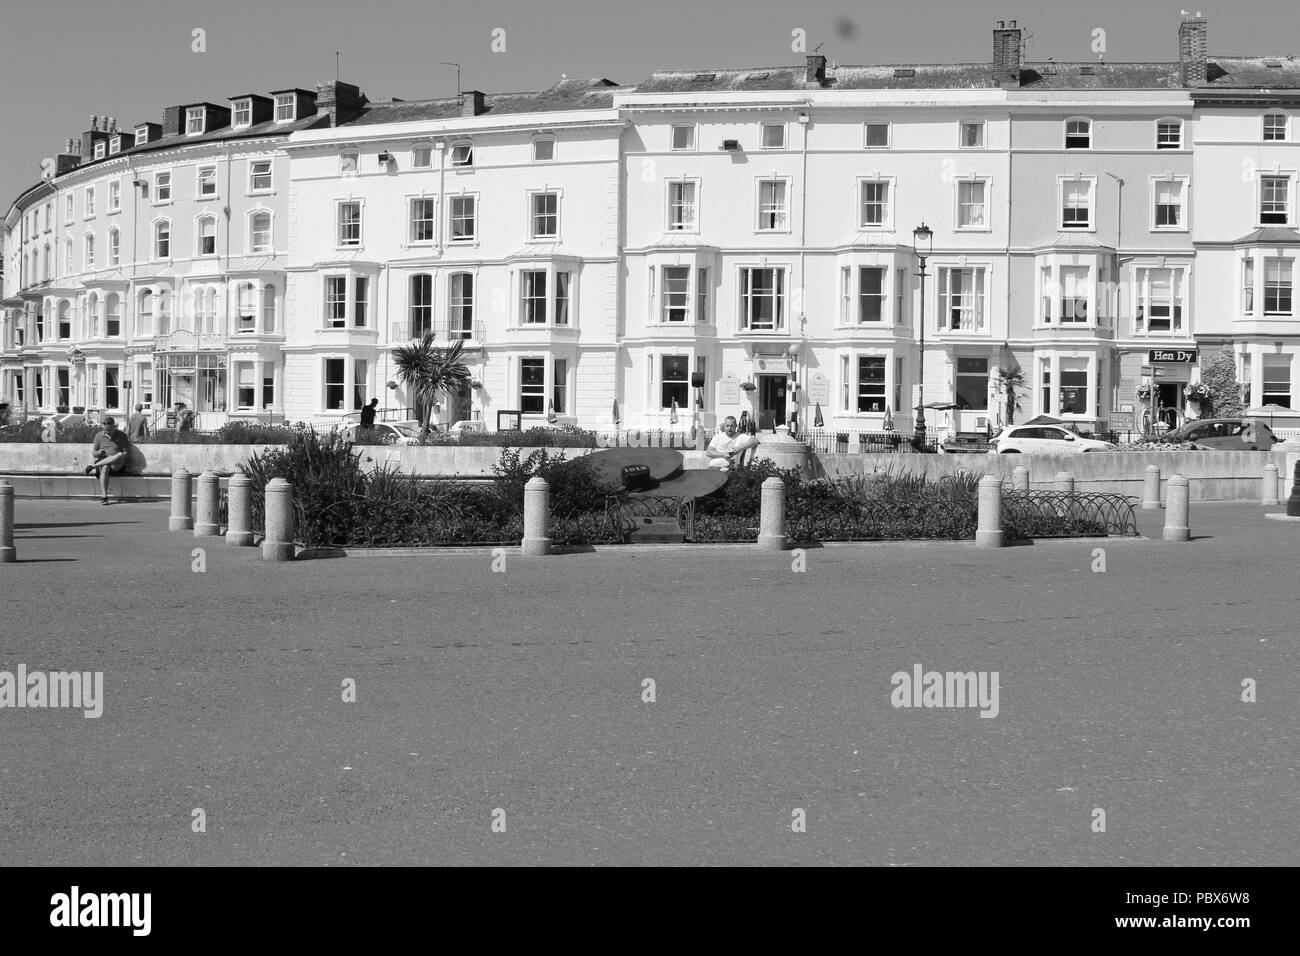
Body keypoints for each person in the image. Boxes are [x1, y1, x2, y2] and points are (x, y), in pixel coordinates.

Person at [84, 417, 130, 504]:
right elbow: (94, 452)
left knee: (120, 454)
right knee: (105, 467)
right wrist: (98, 453)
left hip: (117, 463)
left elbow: (126, 453)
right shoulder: (99, 436)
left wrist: (115, 456)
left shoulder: (122, 435)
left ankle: (93, 466)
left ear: (114, 427)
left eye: (109, 430)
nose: (107, 432)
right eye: (105, 430)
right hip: (103, 460)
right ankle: (104, 496)